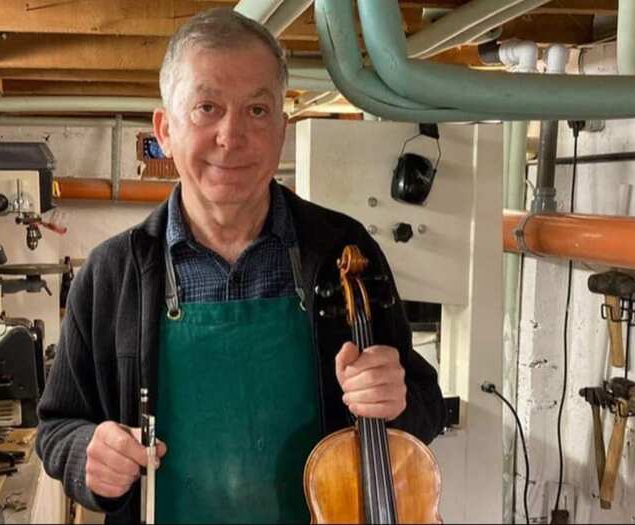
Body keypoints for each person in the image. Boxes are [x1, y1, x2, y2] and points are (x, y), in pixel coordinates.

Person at [36, 8, 445, 524]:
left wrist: (397, 401)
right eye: (207, 108)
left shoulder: (343, 251)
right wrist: (86, 454)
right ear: (164, 128)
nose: (232, 137)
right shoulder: (113, 272)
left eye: (257, 110)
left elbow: (424, 402)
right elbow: (57, 427)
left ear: (282, 127)